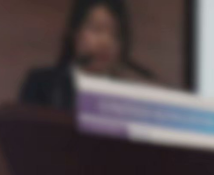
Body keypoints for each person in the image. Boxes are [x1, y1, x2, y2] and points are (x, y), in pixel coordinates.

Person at [19, 0, 151, 109]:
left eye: (116, 34)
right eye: (97, 29)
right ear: (75, 33)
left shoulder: (128, 97)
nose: (106, 42)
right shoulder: (44, 85)